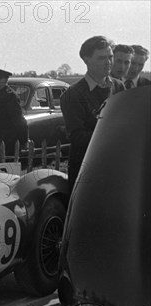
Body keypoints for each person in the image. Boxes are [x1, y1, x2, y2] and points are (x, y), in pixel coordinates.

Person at [60, 36, 125, 192]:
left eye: (110, 57)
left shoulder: (119, 87)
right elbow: (76, 136)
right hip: (87, 167)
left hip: (115, 164)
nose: (108, 62)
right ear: (86, 60)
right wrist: (113, 137)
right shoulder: (73, 94)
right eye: (102, 58)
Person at [0, 67, 28, 157]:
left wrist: (24, 140)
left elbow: (19, 120)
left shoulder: (10, 96)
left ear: (3, 81)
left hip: (9, 140)